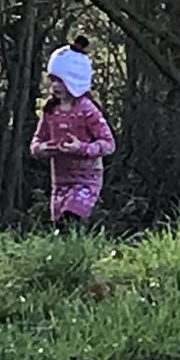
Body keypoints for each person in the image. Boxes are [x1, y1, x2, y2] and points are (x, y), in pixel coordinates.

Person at [29, 36, 115, 227]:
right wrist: (42, 149)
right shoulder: (50, 110)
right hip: (59, 182)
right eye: (53, 80)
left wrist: (82, 148)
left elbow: (108, 144)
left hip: (86, 180)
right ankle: (69, 255)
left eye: (61, 81)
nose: (56, 86)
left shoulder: (87, 110)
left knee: (71, 218)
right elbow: (37, 141)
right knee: (58, 227)